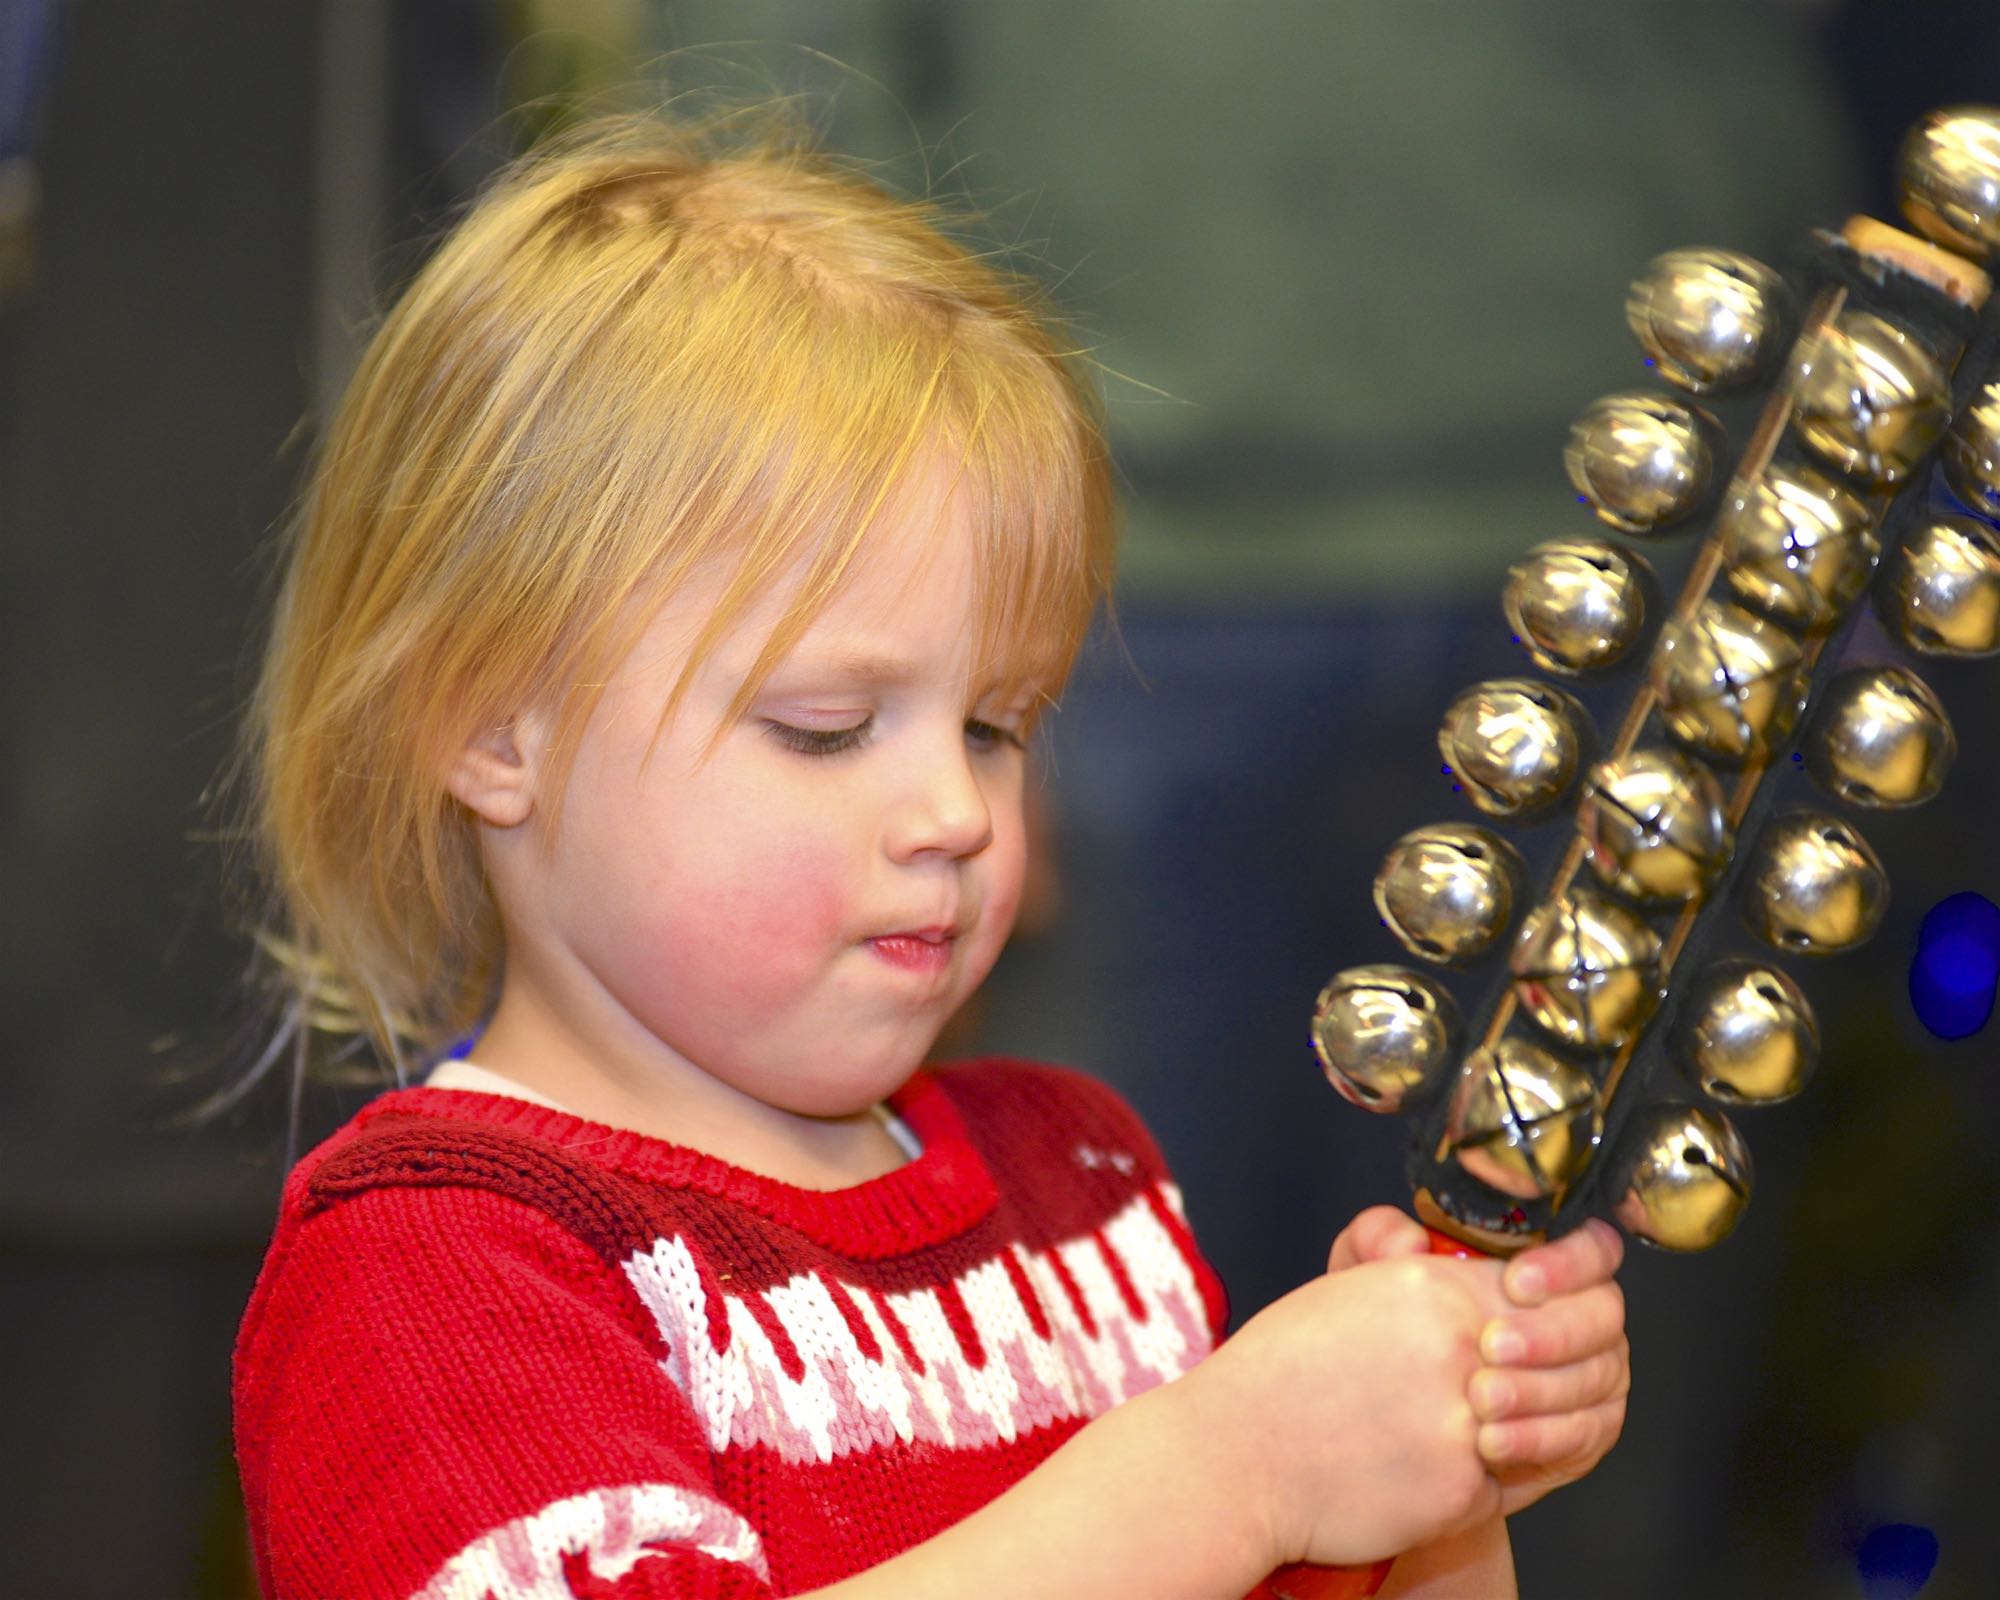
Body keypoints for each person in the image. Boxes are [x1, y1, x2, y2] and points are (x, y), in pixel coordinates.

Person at [230, 112, 1630, 1600]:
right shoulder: (434, 1264)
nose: (956, 812)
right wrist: (1238, 1470)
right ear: (491, 728)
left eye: (995, 727)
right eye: (829, 728)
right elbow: (1195, 1507)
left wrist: (1425, 1500)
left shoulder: (1079, 1177)